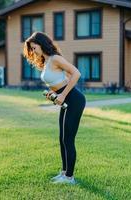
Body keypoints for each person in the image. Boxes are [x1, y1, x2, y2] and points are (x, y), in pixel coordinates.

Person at [23, 32, 86, 185]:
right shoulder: (46, 61)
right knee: (62, 138)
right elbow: (60, 80)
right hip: (65, 98)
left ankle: (70, 178)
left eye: (34, 47)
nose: (33, 51)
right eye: (31, 49)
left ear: (42, 44)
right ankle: (64, 173)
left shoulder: (56, 59)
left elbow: (76, 73)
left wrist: (63, 95)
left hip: (74, 100)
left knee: (68, 139)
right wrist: (53, 93)